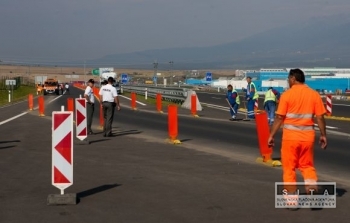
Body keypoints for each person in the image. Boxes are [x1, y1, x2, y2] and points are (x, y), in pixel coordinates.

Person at [267, 69, 327, 209]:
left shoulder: (287, 95)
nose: (288, 81)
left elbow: (279, 117)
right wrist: (323, 135)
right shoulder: (314, 94)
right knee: (307, 166)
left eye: (288, 78)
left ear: (293, 78)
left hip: (290, 138)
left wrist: (271, 135)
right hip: (308, 137)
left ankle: (292, 201)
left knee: (289, 168)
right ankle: (312, 191)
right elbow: (320, 117)